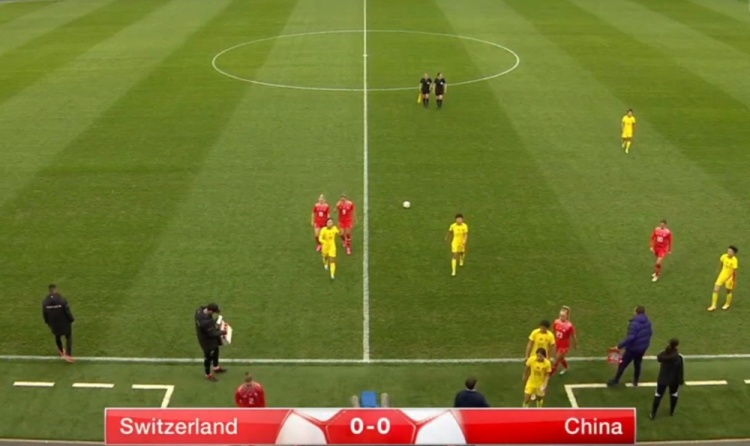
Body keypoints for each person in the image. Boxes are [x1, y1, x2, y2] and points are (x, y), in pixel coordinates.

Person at [607, 306, 653, 387]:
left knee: (623, 364)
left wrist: (619, 346)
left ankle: (616, 380)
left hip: (633, 348)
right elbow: (649, 333)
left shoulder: (634, 323)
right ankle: (636, 381)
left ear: (636, 312)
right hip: (642, 348)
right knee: (637, 363)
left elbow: (631, 337)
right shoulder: (648, 322)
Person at [649, 338, 685, 420]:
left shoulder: (664, 355)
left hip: (662, 379)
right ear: (677, 346)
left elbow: (659, 357)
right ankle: (672, 411)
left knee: (658, 395)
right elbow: (680, 370)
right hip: (674, 380)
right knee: (674, 394)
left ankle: (653, 414)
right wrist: (681, 381)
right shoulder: (679, 357)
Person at [42, 284, 75, 363]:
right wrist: (71, 319)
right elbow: (67, 311)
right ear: (55, 290)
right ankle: (68, 355)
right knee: (68, 337)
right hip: (64, 322)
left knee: (57, 337)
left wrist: (47, 322)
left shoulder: (45, 301)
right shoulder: (61, 299)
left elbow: (44, 313)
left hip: (53, 323)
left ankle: (61, 351)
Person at [195, 303, 227, 381]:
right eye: (214, 312)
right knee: (208, 358)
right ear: (210, 311)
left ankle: (216, 367)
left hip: (207, 337)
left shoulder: (199, 311)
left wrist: (215, 321)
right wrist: (222, 332)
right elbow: (212, 334)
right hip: (207, 342)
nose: (214, 313)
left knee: (216, 350)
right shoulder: (206, 322)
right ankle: (208, 374)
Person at [708, 246, 739, 311]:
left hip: (729, 277)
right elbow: (721, 264)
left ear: (734, 253)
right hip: (722, 275)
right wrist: (718, 270)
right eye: (728, 251)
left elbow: (735, 271)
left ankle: (727, 304)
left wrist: (734, 281)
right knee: (716, 289)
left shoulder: (734, 260)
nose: (728, 252)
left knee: (728, 291)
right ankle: (713, 305)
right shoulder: (724, 256)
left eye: (730, 251)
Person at [551, 306, 577, 375]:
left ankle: (549, 374)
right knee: (561, 358)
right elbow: (553, 331)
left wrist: (575, 344)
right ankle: (566, 367)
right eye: (560, 316)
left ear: (566, 316)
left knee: (556, 360)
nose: (561, 317)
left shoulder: (569, 326)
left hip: (564, 346)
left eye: (563, 316)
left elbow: (573, 335)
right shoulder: (556, 322)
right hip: (558, 343)